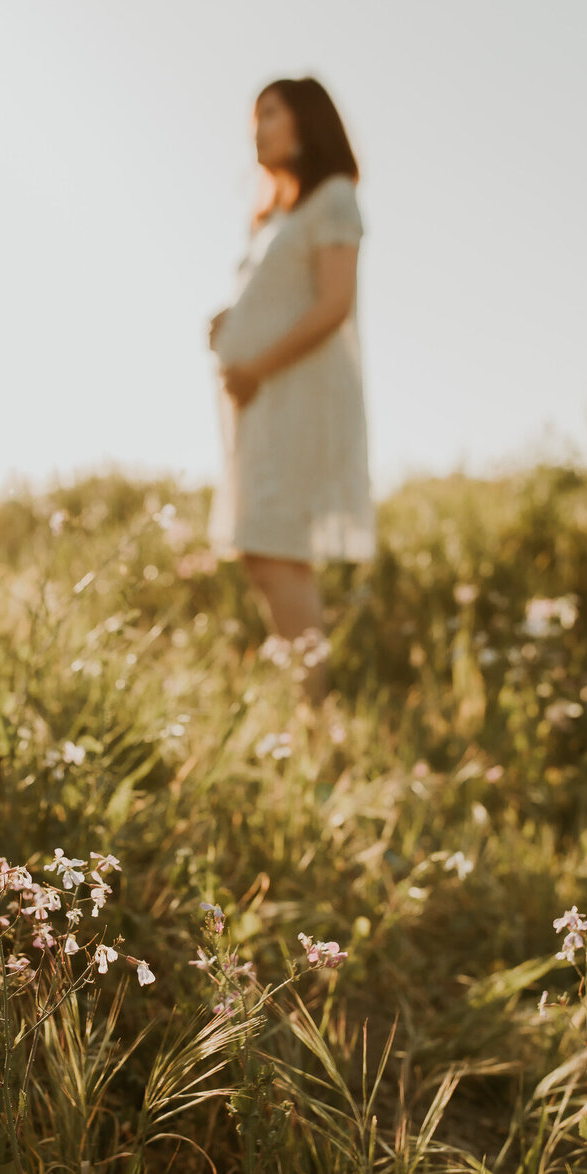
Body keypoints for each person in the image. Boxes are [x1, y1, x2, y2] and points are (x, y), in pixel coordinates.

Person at [207, 76, 375, 704]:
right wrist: (232, 324)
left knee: (278, 552)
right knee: (264, 554)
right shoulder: (279, 217)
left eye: (270, 114)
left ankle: (317, 716)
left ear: (305, 122)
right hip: (265, 406)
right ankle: (307, 708)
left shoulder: (333, 199)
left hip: (298, 401)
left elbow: (334, 304)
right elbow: (281, 299)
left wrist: (257, 365)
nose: (257, 128)